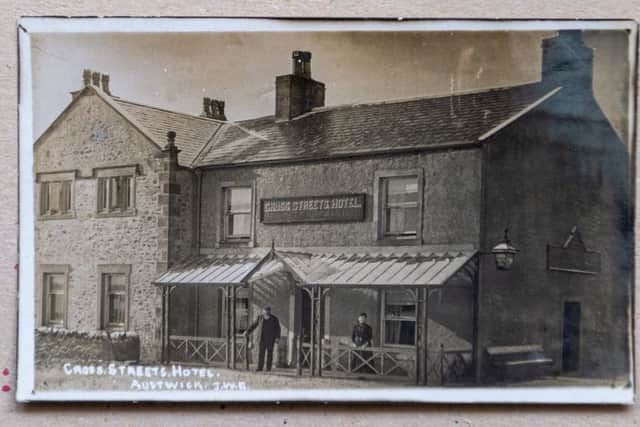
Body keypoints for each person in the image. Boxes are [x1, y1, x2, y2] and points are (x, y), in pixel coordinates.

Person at [244, 306, 281, 372]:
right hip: (262, 339)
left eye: (267, 310)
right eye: (264, 310)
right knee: (261, 354)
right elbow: (254, 325)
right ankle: (260, 367)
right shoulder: (260, 318)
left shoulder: (274, 319)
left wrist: (277, 337)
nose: (266, 312)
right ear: (263, 311)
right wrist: (248, 331)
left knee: (270, 354)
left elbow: (278, 329)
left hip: (270, 339)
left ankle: (268, 368)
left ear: (270, 311)